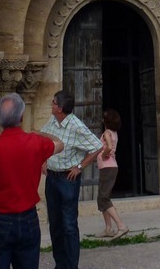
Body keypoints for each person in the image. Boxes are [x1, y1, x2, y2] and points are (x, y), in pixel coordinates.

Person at [0, 92, 65, 269]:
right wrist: (40, 133)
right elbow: (60, 144)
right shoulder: (35, 142)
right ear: (22, 117)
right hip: (27, 217)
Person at [40, 90, 103, 269]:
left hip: (67, 179)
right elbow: (43, 137)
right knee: (55, 224)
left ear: (60, 108)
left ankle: (71, 266)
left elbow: (97, 146)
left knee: (68, 225)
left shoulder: (76, 126)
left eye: (53, 103)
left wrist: (80, 167)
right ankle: (60, 264)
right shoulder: (53, 121)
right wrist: (43, 160)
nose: (51, 105)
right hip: (52, 177)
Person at [96, 108, 128, 240]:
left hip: (107, 167)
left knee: (103, 198)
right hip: (110, 167)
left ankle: (121, 226)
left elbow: (108, 147)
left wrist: (103, 155)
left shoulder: (107, 133)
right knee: (103, 198)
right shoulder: (114, 133)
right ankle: (108, 229)